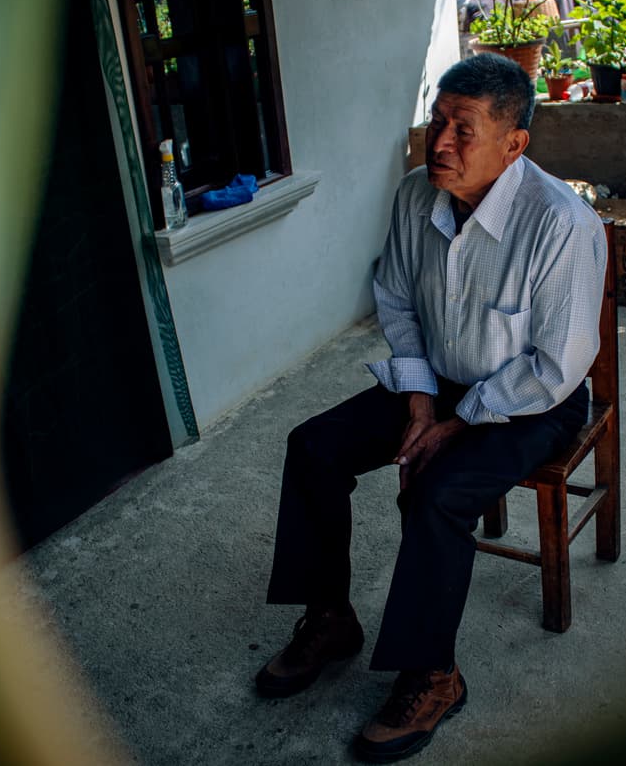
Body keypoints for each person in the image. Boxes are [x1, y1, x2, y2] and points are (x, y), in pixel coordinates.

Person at [255, 53, 607, 763]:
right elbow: (396, 296)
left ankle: (434, 674)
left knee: (439, 495)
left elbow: (556, 366)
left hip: (533, 402)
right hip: (439, 381)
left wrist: (454, 424)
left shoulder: (561, 225)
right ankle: (330, 617)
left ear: (514, 144)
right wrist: (419, 401)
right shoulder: (418, 194)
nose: (439, 143)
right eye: (436, 122)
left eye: (463, 129)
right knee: (313, 446)